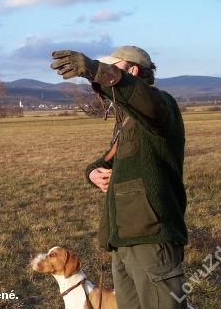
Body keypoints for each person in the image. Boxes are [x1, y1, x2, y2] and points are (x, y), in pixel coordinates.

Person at [50, 46, 189, 309]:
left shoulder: (161, 106)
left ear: (133, 72)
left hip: (152, 237)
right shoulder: (126, 121)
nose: (105, 75)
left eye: (114, 68)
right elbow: (104, 161)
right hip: (122, 238)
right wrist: (92, 172)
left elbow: (142, 100)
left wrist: (96, 70)